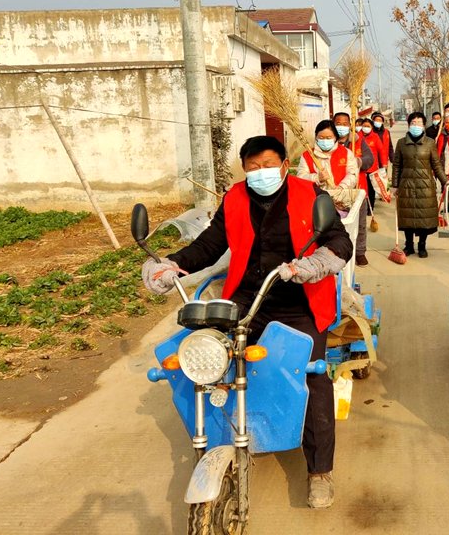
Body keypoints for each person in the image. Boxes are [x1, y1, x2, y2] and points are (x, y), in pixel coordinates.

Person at [142, 136, 352, 509]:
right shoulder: (235, 198)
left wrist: (311, 265)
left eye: (267, 165)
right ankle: (222, 436)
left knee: (310, 375)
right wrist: (172, 263)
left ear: (284, 166)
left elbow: (340, 242)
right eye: (252, 167)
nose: (260, 173)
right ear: (244, 168)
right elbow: (209, 245)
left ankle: (320, 471)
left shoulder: (310, 194)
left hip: (300, 299)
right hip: (248, 297)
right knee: (211, 357)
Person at [392, 112, 449, 258]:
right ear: (409, 125)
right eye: (413, 123)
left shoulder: (430, 143)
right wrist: (395, 185)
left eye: (419, 123)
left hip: (425, 185)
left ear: (424, 126)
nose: (416, 125)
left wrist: (445, 181)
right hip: (406, 185)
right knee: (407, 217)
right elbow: (396, 165)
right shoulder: (401, 143)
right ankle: (409, 245)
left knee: (424, 217)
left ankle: (422, 245)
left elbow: (436, 165)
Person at [334, 112, 374, 267]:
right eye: (338, 123)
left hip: (358, 189)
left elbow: (370, 159)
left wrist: (358, 161)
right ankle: (338, 252)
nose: (342, 127)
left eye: (345, 124)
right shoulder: (330, 142)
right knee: (337, 224)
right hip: (335, 190)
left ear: (350, 125)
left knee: (360, 224)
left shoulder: (358, 141)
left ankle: (360, 252)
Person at [297, 119, 358, 191]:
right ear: (316, 137)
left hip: (341, 195)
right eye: (321, 138)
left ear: (335, 137)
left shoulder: (346, 153)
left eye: (328, 138)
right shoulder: (307, 155)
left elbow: (352, 174)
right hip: (317, 196)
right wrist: (317, 178)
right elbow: (300, 177)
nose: (325, 140)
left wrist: (342, 187)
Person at [360, 117, 384, 215]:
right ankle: (361, 208)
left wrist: (384, 164)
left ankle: (370, 209)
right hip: (360, 167)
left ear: (371, 127)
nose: (366, 128)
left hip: (372, 167)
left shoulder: (375, 137)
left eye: (368, 126)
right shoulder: (357, 136)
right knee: (361, 189)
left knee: (370, 189)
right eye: (364, 126)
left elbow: (381, 150)